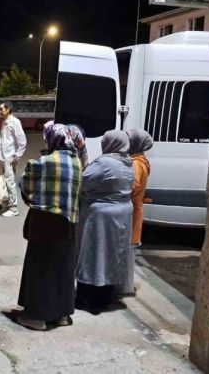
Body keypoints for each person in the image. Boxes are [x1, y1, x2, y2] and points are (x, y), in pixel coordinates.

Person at [15, 123, 83, 331]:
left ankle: (37, 317)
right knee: (62, 269)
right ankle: (62, 314)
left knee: (40, 268)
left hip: (44, 223)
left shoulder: (42, 163)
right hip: (68, 224)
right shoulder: (77, 163)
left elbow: (26, 189)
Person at [75, 130, 134, 314]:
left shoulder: (105, 163)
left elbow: (83, 181)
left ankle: (88, 297)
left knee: (94, 254)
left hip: (101, 215)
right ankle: (105, 296)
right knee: (113, 254)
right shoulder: (127, 162)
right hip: (122, 214)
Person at [117, 129, 154, 296]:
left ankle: (124, 288)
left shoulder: (137, 163)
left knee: (127, 251)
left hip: (130, 212)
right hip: (133, 211)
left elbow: (132, 185)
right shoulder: (137, 160)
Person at [0, 101, 27, 217]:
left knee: (10, 183)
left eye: (1, 109)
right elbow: (1, 140)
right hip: (1, 157)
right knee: (0, 182)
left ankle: (13, 209)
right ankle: (4, 206)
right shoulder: (4, 121)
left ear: (8, 109)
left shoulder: (14, 122)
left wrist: (17, 156)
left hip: (9, 157)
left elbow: (22, 141)